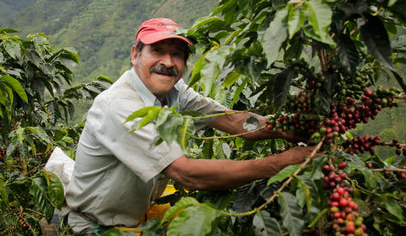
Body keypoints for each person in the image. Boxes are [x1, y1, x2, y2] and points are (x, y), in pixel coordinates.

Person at [65, 18, 317, 234]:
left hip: (138, 214)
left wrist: (291, 127)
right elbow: (187, 173)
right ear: (135, 55)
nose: (168, 62)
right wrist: (279, 163)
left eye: (177, 54)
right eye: (157, 51)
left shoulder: (175, 91)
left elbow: (231, 120)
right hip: (97, 227)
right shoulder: (119, 106)